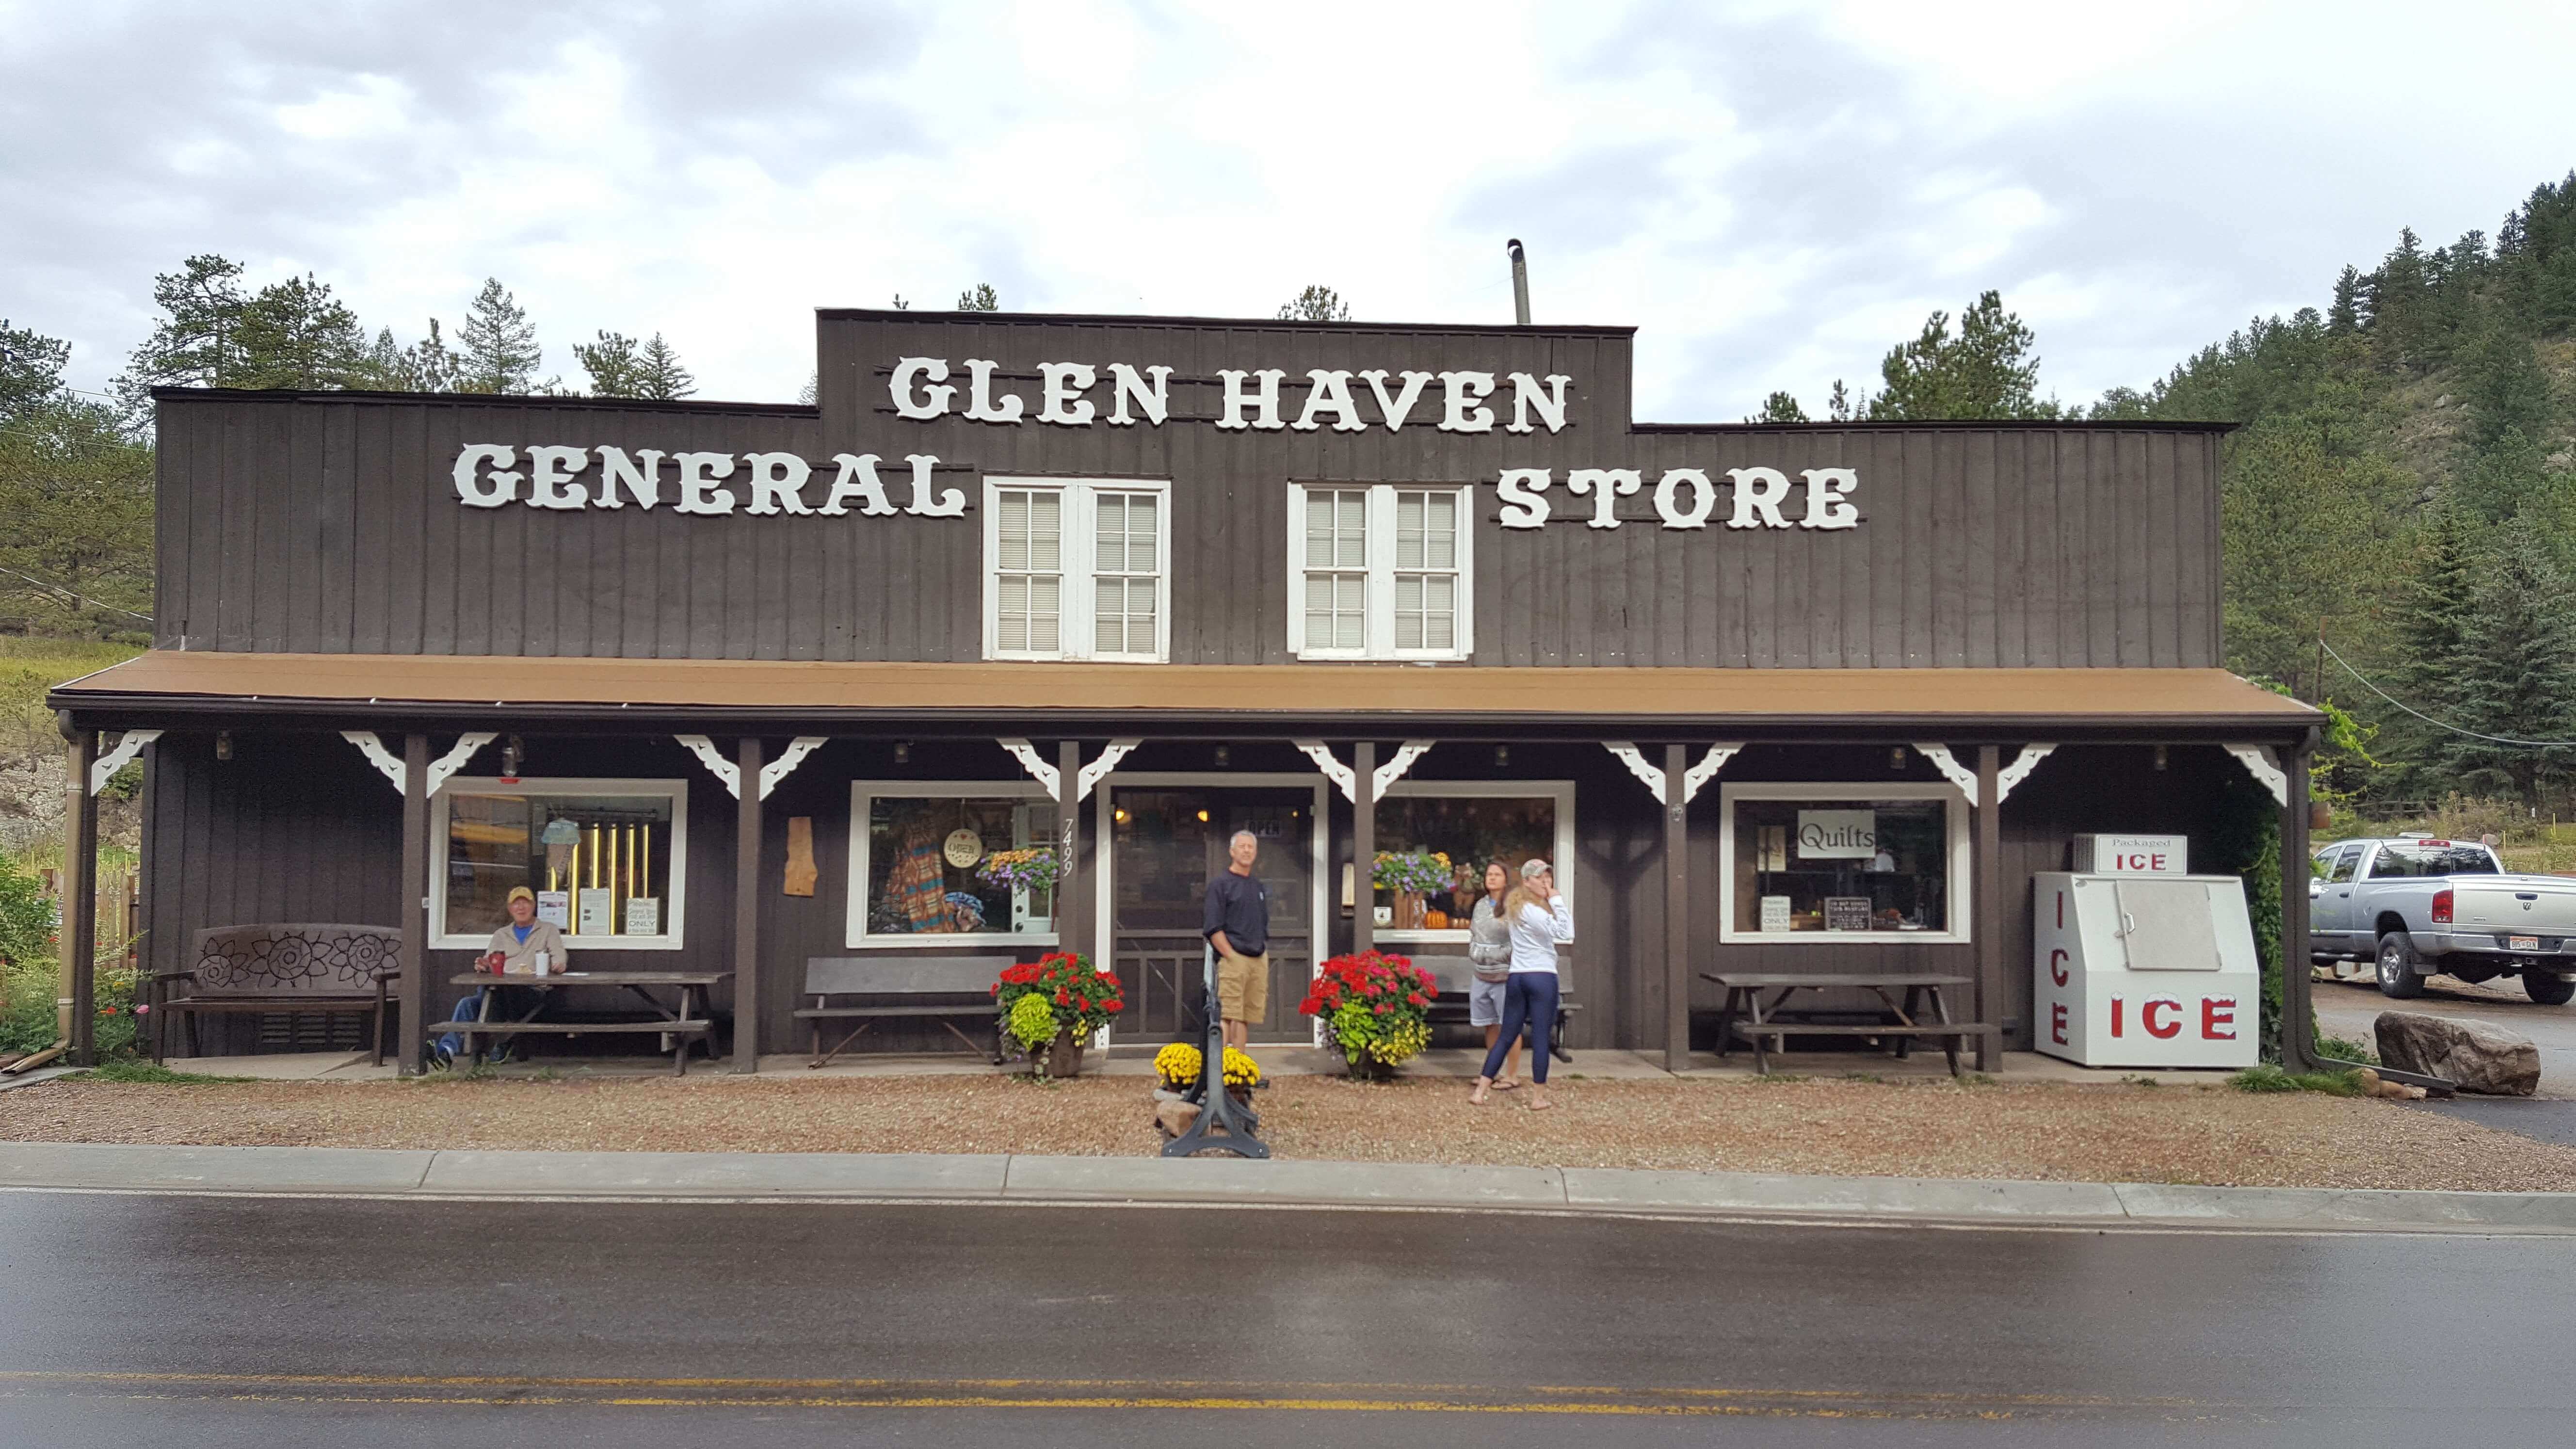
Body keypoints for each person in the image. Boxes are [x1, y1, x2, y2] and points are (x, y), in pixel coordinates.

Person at [1470, 858, 1571, 1110]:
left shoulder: (1516, 907)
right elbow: (1566, 932)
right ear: (1526, 882)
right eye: (1539, 878)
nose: (1546, 883)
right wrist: (1558, 901)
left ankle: (1481, 1091)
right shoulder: (1532, 910)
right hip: (1541, 976)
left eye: (1548, 877)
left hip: (1517, 977)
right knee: (1540, 1037)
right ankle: (1538, 1098)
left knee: (1507, 1035)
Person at [481, 886, 569, 1060]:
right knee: (468, 1004)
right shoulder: (501, 934)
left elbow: (559, 955)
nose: (521, 908)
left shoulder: (548, 929)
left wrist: (559, 964)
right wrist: (483, 965)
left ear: (534, 906)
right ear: (510, 908)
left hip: (533, 990)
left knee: (492, 998)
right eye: (516, 904)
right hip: (502, 990)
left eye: (525, 903)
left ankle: (501, 1043)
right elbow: (490, 961)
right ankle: (447, 1048)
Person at [1202, 828, 1270, 1054]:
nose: (1247, 851)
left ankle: (1238, 1067)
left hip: (1257, 958)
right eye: (1242, 846)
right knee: (1228, 1015)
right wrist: (1230, 956)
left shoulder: (1257, 887)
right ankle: (1219, 1069)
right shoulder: (1220, 885)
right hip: (1233, 958)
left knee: (1245, 1017)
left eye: (1251, 847)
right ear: (1232, 852)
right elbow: (1213, 927)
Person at [1466, 861, 1526, 1090]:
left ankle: (1512, 1075)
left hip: (1506, 977)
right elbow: (1474, 934)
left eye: (1497, 874)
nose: (1491, 878)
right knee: (1490, 1025)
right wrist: (1475, 952)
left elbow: (1518, 940)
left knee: (1510, 1025)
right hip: (1481, 975)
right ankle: (1492, 1073)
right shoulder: (1480, 905)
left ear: (1505, 879)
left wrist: (1495, 955)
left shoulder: (1514, 906)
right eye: (1488, 874)